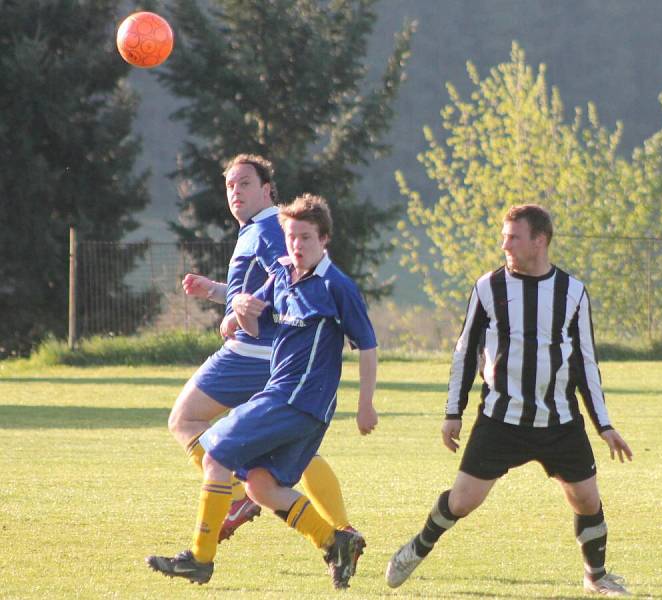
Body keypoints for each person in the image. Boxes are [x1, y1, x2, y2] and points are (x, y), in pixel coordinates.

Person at [384, 204, 633, 597]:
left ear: (540, 240)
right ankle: (417, 547)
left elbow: (586, 362)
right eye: (504, 237)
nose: (505, 245)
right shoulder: (488, 287)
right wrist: (453, 412)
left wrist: (604, 425)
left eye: (514, 237)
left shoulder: (573, 292)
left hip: (560, 421)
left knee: (586, 499)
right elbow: (465, 353)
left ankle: (596, 577)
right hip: (501, 420)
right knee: (463, 501)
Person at [147, 194, 378, 590]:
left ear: (324, 240)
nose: (297, 245)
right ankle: (335, 541)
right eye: (291, 237)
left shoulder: (336, 285)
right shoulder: (284, 272)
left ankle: (200, 559)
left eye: (306, 237)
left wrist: (365, 406)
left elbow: (368, 345)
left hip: (295, 400)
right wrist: (239, 313)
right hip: (291, 399)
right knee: (260, 485)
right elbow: (257, 320)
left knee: (216, 455)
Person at [169, 154, 356, 542]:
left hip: (252, 353)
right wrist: (220, 293)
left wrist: (237, 313)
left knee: (184, 419)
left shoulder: (268, 228)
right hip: (280, 359)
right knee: (289, 451)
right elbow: (269, 292)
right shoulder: (260, 228)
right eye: (230, 185)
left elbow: (291, 280)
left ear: (267, 189)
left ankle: (236, 497)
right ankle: (340, 529)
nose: (235, 192)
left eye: (245, 184)